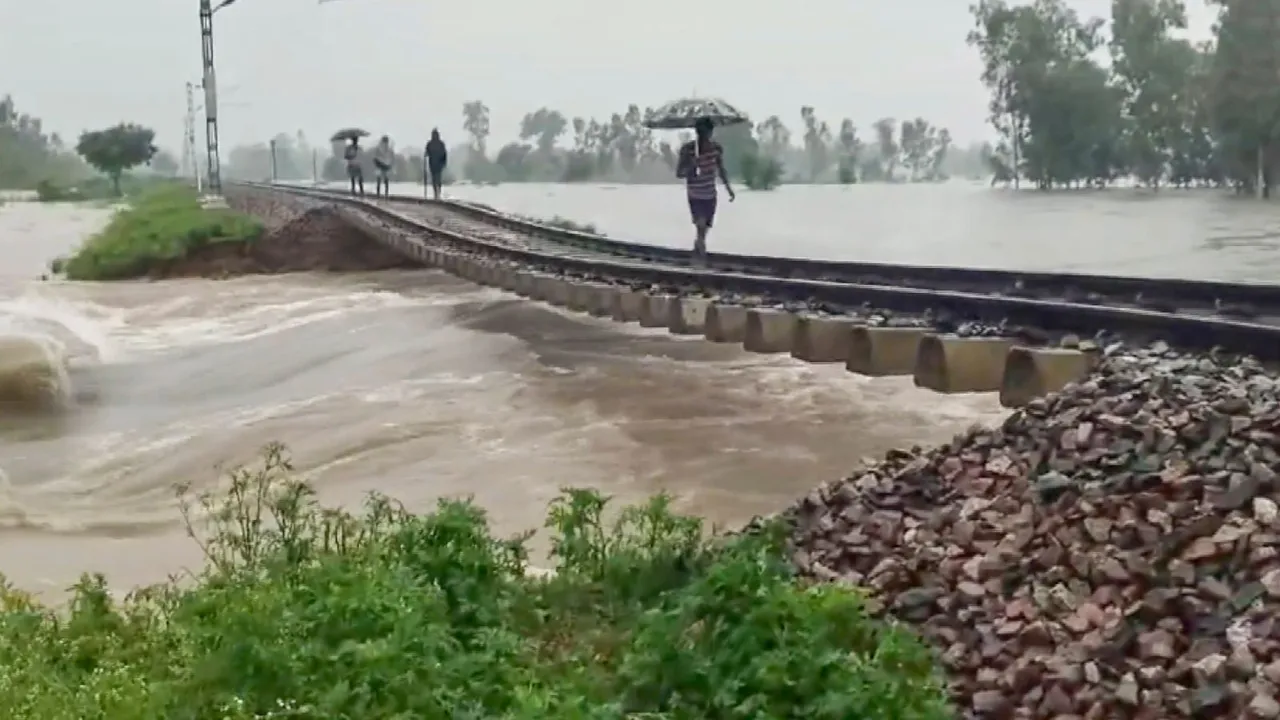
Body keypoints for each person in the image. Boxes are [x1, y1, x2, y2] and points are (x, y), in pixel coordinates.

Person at [675, 117, 735, 260]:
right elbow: (679, 173)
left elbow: (721, 170)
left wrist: (729, 189)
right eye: (700, 132)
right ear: (697, 132)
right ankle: (701, 255)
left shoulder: (716, 149)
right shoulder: (688, 150)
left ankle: (698, 248)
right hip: (695, 193)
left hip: (710, 194)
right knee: (700, 225)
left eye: (706, 132)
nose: (704, 135)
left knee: (705, 227)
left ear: (710, 132)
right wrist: (691, 165)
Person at [424, 129, 448, 200]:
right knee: (435, 179)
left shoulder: (440, 144)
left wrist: (444, 163)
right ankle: (436, 193)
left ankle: (437, 193)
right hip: (434, 164)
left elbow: (444, 154)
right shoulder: (431, 144)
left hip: (437, 164)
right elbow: (427, 152)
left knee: (437, 179)